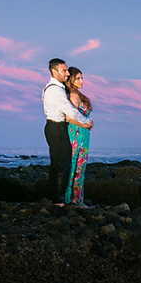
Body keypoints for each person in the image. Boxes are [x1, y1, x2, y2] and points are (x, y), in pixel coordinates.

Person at [42, 58, 92, 204]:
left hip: (57, 127)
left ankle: (57, 197)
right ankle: (57, 199)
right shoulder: (54, 90)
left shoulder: (57, 88)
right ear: (54, 71)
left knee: (60, 163)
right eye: (64, 70)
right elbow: (70, 111)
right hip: (56, 127)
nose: (67, 73)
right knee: (61, 164)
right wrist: (86, 122)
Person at [64, 67, 92, 206]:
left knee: (77, 166)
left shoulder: (76, 94)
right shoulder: (73, 95)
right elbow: (69, 117)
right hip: (77, 135)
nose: (81, 81)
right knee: (77, 167)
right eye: (78, 78)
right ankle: (74, 200)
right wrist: (86, 125)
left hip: (81, 134)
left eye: (82, 78)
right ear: (71, 80)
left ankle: (74, 199)